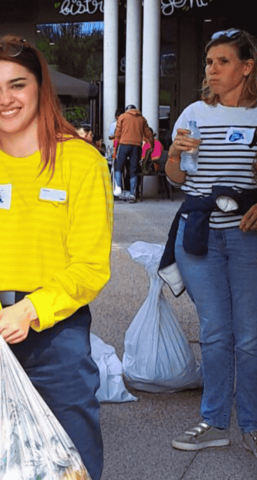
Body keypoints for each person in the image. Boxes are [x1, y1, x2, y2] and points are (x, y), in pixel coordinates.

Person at [0, 35, 112, 480]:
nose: (4, 99)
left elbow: (90, 264)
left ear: (40, 89)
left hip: (55, 336)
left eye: (17, 85)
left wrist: (28, 311)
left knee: (70, 460)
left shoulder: (82, 164)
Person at [165, 28, 257, 459]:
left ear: (246, 67)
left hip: (246, 234)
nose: (212, 69)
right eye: (208, 62)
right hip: (199, 231)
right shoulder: (193, 113)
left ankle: (252, 425)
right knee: (217, 332)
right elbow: (176, 178)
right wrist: (173, 155)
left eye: (222, 61)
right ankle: (216, 421)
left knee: (250, 338)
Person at [113, 105, 154, 202]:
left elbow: (117, 134)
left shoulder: (122, 117)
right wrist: (152, 145)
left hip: (124, 145)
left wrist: (115, 149)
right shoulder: (142, 119)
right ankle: (132, 194)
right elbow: (149, 134)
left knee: (119, 167)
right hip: (136, 146)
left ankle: (119, 191)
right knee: (133, 170)